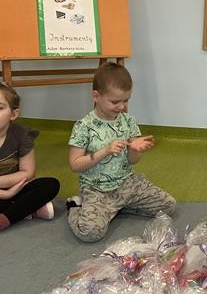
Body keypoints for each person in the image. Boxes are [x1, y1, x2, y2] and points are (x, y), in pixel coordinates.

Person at [66, 63, 176, 242]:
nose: (122, 107)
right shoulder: (83, 126)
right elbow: (75, 164)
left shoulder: (128, 121)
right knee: (90, 232)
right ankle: (75, 206)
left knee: (168, 205)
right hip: (97, 188)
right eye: (115, 102)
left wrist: (134, 150)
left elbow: (133, 161)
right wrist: (105, 151)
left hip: (127, 184)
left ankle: (114, 207)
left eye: (126, 100)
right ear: (96, 96)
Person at [0, 83, 60, 232]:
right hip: (8, 191)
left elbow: (27, 172)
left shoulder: (22, 134)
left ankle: (6, 218)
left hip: (16, 186)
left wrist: (11, 191)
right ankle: (25, 210)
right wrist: (6, 194)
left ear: (13, 114)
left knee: (51, 184)